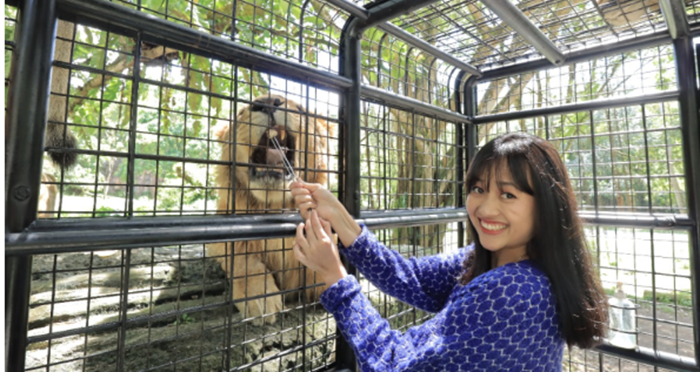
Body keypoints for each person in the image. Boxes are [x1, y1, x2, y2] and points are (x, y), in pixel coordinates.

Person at [290, 132, 608, 371]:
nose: (485, 208)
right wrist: (341, 217)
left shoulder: (516, 292)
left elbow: (396, 365)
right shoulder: (486, 258)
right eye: (478, 189)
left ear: (547, 207)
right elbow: (411, 277)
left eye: (508, 195)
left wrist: (334, 277)